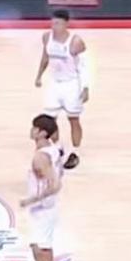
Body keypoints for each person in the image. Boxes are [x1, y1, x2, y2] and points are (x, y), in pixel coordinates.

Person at [34, 10, 89, 169]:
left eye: (57, 23)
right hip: (54, 84)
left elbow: (83, 66)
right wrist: (39, 76)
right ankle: (58, 148)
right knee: (49, 120)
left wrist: (85, 87)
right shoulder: (47, 37)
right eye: (52, 23)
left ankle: (75, 152)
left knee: (73, 119)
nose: (54, 26)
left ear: (66, 24)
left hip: (71, 84)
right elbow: (45, 57)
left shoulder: (76, 41)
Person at [19, 114, 63, 261]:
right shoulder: (53, 149)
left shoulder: (40, 158)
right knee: (35, 246)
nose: (32, 130)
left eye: (35, 128)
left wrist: (31, 200)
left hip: (42, 210)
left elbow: (55, 185)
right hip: (45, 208)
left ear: (43, 133)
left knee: (43, 255)